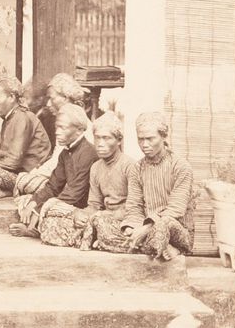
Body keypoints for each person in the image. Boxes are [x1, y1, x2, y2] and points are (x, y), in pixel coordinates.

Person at [11, 103, 97, 243]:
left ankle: (34, 227)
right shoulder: (65, 153)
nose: (57, 132)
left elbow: (74, 194)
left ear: (79, 130)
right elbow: (53, 185)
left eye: (63, 127)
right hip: (67, 200)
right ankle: (35, 225)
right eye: (57, 127)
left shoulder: (88, 153)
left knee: (50, 208)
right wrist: (34, 202)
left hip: (80, 207)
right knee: (25, 201)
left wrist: (41, 208)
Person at [117, 112, 197, 262]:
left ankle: (175, 248)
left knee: (163, 224)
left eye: (150, 139)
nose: (145, 144)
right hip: (145, 227)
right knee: (102, 221)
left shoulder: (180, 166)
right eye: (141, 139)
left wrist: (145, 229)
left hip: (175, 228)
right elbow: (135, 205)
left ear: (163, 137)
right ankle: (151, 244)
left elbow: (176, 209)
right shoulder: (137, 168)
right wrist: (132, 229)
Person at [82, 113, 135, 253]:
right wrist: (80, 215)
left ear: (119, 140)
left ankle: (102, 240)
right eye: (97, 138)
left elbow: (136, 208)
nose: (100, 144)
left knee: (102, 226)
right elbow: (94, 205)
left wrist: (107, 216)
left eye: (106, 138)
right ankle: (99, 240)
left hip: (125, 221)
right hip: (102, 218)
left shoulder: (130, 166)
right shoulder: (96, 167)